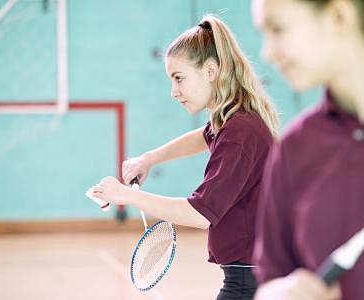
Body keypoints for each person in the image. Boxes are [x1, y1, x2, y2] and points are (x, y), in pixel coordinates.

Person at [92, 15, 279, 299]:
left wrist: (127, 196)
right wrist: (149, 159)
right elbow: (204, 135)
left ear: (211, 70)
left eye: (179, 78)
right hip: (251, 272)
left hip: (249, 279)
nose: (173, 91)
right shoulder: (234, 120)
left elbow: (200, 213)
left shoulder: (239, 132)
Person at [251, 0, 364, 299]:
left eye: (278, 29)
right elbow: (269, 281)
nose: (267, 52)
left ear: (339, 16)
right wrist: (278, 293)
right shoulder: (293, 148)